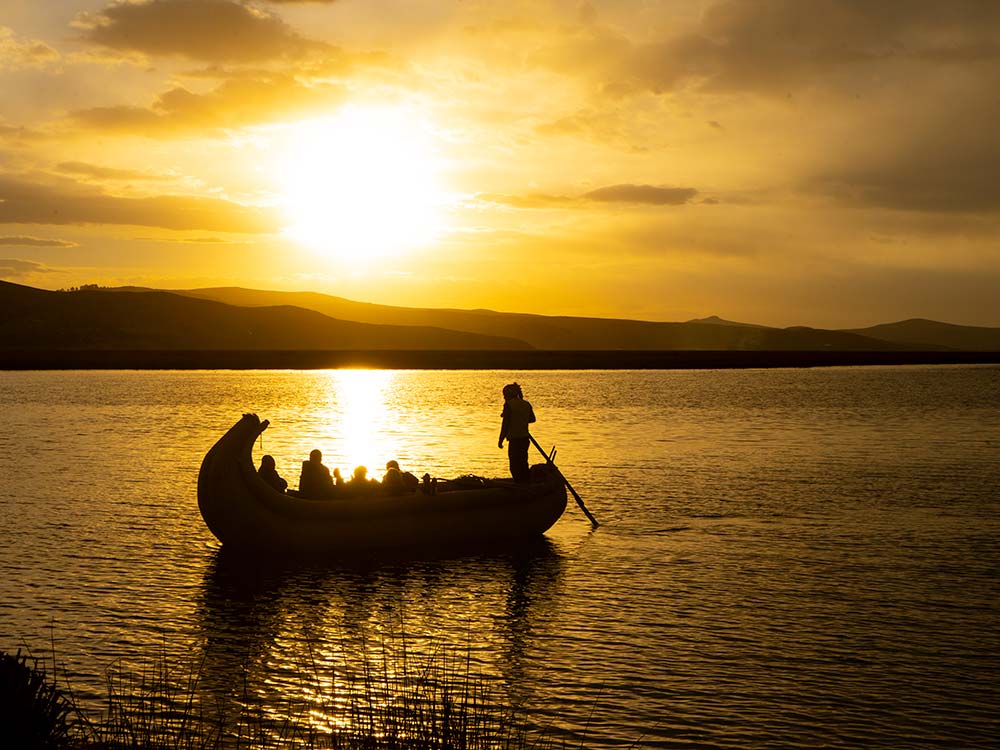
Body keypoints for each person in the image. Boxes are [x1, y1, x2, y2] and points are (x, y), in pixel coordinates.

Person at [498, 382, 535, 482]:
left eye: (505, 395)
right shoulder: (526, 404)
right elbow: (532, 419)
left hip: (515, 440)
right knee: (523, 463)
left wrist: (500, 440)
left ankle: (521, 485)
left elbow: (505, 425)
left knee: (514, 466)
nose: (504, 397)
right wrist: (520, 418)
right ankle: (525, 482)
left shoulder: (509, 405)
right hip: (524, 439)